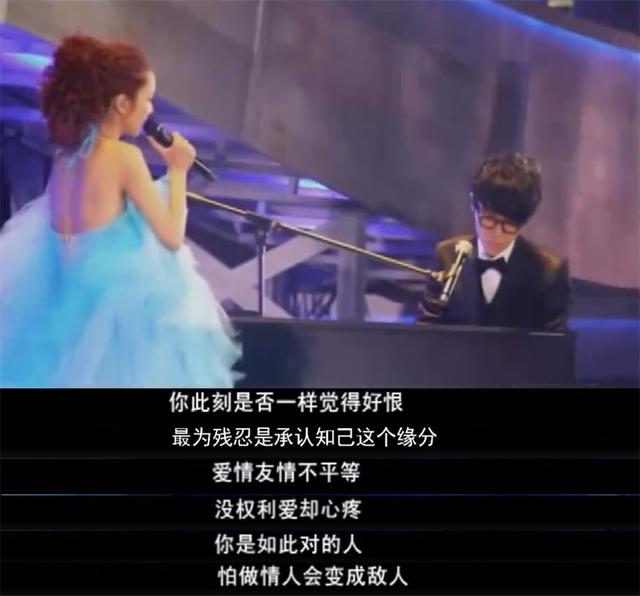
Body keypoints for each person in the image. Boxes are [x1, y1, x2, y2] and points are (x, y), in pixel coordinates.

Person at [0, 34, 241, 387]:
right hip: (114, 314)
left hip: (65, 306)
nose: (150, 110)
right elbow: (171, 236)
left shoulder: (66, 159)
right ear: (122, 103)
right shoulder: (124, 157)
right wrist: (177, 171)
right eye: (147, 98)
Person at [418, 153, 570, 331]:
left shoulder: (548, 270)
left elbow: (554, 343)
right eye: (488, 220)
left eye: (510, 224)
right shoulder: (447, 255)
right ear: (474, 206)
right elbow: (427, 330)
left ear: (524, 221)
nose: (497, 233)